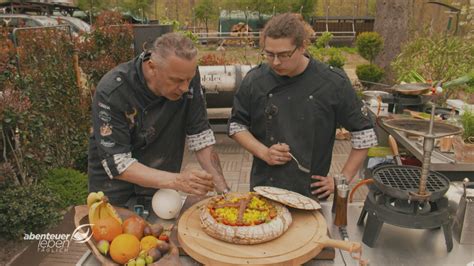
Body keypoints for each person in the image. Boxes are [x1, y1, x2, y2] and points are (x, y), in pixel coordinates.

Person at [228, 13, 377, 200]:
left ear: (302, 47)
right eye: (269, 54)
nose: (275, 62)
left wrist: (343, 178)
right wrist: (264, 152)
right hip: (264, 187)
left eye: (283, 55)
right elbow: (236, 126)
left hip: (310, 192)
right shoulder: (255, 80)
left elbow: (364, 134)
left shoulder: (332, 83)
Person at [88, 32, 229, 206]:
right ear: (152, 67)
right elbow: (118, 163)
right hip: (114, 193)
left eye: (189, 79)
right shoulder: (113, 91)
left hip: (161, 188)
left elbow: (201, 137)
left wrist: (224, 192)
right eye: (177, 81)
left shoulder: (185, 74)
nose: (185, 88)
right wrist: (178, 181)